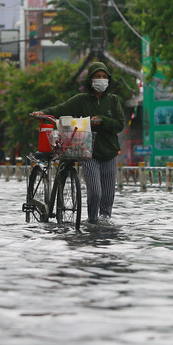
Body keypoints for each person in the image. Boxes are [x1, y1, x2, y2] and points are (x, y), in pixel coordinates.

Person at [33, 62, 125, 225]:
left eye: (104, 77)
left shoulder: (113, 100)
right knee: (95, 192)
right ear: (90, 80)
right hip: (88, 152)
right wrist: (44, 113)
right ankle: (92, 221)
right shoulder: (80, 100)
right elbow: (60, 109)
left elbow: (119, 124)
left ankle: (105, 221)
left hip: (110, 152)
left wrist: (102, 120)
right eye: (98, 77)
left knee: (108, 195)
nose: (101, 80)